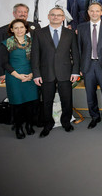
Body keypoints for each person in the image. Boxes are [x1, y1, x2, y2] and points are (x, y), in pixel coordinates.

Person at [31, 7, 80, 138]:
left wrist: (75, 72)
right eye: (53, 15)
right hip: (46, 73)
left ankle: (66, 123)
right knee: (47, 101)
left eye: (59, 15)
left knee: (67, 100)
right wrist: (36, 74)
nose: (56, 17)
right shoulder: (39, 33)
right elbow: (35, 55)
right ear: (48, 16)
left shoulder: (70, 34)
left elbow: (75, 54)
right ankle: (48, 124)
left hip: (65, 72)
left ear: (63, 18)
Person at [0, 19, 39, 139]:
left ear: (26, 28)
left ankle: (29, 126)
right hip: (14, 77)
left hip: (30, 75)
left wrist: (31, 74)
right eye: (16, 28)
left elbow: (37, 59)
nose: (19, 30)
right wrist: (18, 76)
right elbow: (4, 63)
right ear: (11, 30)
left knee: (31, 103)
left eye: (21, 27)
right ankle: (18, 127)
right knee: (17, 104)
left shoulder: (32, 41)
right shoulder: (7, 43)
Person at [77, 2, 102, 129]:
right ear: (88, 12)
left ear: (101, 12)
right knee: (90, 94)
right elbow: (79, 49)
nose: (94, 13)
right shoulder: (81, 28)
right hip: (88, 66)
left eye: (97, 11)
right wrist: (80, 67)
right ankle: (95, 117)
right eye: (92, 11)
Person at [0, 3, 41, 81]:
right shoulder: (3, 30)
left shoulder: (36, 26)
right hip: (13, 70)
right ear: (14, 13)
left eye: (25, 12)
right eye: (20, 12)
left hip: (33, 69)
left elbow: (40, 48)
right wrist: (1, 72)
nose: (23, 14)